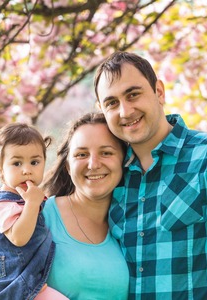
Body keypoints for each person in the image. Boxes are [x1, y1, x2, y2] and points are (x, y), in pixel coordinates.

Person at [93, 51, 207, 299]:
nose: (125, 111)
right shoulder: (107, 174)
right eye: (111, 103)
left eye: (133, 94)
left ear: (159, 91)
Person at [41, 112, 130, 299]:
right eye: (82, 154)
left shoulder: (131, 223)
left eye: (106, 152)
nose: (93, 164)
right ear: (68, 166)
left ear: (123, 160)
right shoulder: (39, 216)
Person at [0, 123, 67, 300]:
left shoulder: (29, 199)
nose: (27, 170)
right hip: (11, 288)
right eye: (16, 163)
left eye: (35, 162)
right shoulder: (2, 204)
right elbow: (19, 237)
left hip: (28, 281)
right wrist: (32, 204)